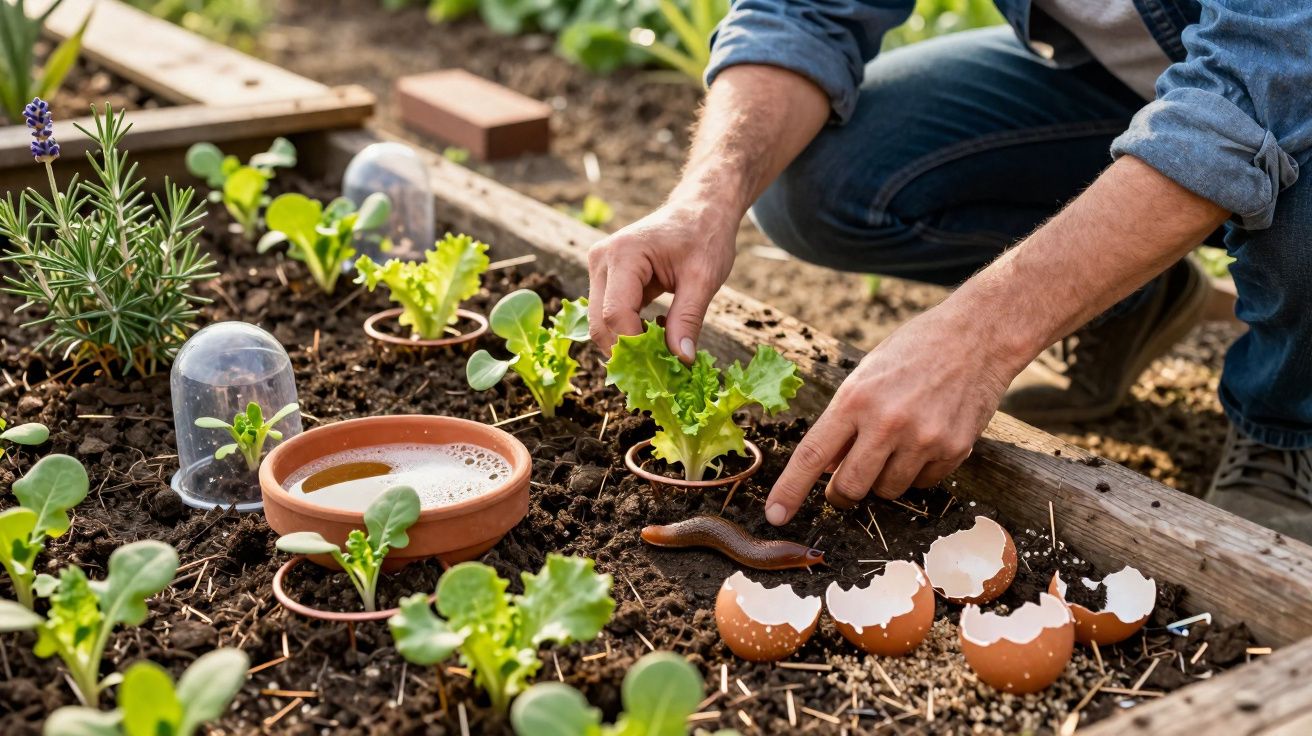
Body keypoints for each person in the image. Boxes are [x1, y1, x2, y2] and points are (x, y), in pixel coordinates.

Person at [585, 1, 1312, 543]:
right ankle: (1131, 295)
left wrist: (981, 335)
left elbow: (1259, 92)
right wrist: (705, 198)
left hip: (1286, 79)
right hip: (1139, 77)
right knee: (823, 180)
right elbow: (804, 11)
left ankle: (1288, 426)